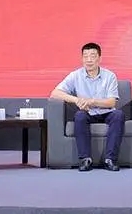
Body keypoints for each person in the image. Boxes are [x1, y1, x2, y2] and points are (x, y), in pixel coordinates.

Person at [51, 42, 124, 172]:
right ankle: (85, 159)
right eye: (85, 56)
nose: (89, 60)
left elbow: (112, 102)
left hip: (106, 112)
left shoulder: (110, 76)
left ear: (99, 58)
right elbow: (55, 93)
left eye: (93, 56)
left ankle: (110, 160)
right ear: (82, 58)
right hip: (87, 113)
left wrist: (92, 101)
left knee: (118, 115)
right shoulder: (75, 75)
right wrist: (76, 100)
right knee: (79, 116)